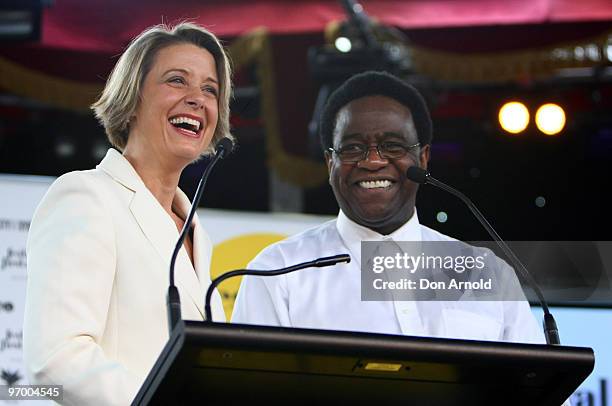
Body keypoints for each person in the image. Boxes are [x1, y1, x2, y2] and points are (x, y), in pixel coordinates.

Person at [231, 71, 544, 344]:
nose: (373, 161)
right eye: (353, 147)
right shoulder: (277, 273)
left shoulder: (485, 273)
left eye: (392, 146)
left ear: (422, 159)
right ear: (330, 163)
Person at [23, 22, 231, 405]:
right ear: (133, 98)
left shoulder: (196, 231)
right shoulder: (86, 196)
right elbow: (55, 357)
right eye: (176, 81)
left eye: (209, 89)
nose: (197, 99)